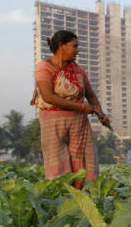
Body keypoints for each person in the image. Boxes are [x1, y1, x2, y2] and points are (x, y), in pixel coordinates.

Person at [34, 30, 110, 189]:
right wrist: (81, 107)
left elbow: (91, 96)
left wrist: (100, 113)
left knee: (84, 164)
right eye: (74, 46)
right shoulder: (44, 67)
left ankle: (85, 201)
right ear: (61, 46)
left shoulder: (79, 70)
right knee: (57, 166)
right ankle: (61, 202)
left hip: (79, 124)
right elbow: (48, 96)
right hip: (53, 124)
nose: (78, 50)